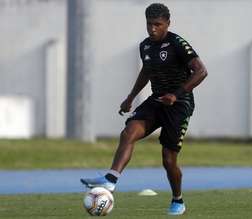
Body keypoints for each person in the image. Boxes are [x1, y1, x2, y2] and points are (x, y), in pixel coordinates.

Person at [81, 3, 208, 215]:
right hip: (157, 100)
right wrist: (130, 97)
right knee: (129, 131)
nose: (152, 29)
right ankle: (111, 179)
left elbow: (201, 71)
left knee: (168, 159)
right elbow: (147, 71)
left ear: (168, 23)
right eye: (149, 24)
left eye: (157, 24)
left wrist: (176, 94)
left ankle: (178, 200)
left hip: (179, 105)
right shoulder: (145, 46)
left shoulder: (177, 43)